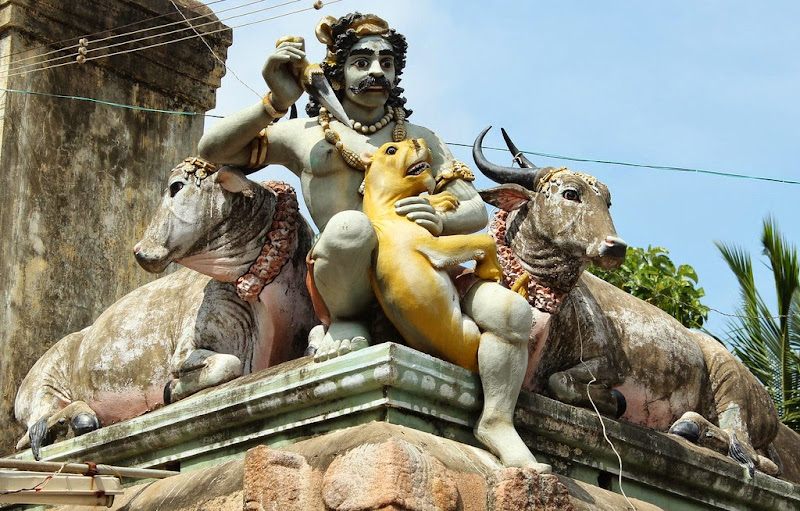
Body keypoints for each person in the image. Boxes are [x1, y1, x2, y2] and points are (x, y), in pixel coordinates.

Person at [198, 12, 550, 472]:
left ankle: (497, 420)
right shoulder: (307, 135)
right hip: (350, 279)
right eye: (361, 62)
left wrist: (442, 220)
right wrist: (273, 103)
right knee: (350, 228)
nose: (375, 71)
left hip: (426, 268)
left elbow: (476, 209)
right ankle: (347, 323)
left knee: (511, 313)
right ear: (337, 70)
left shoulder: (420, 140)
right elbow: (212, 152)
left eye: (386, 62)